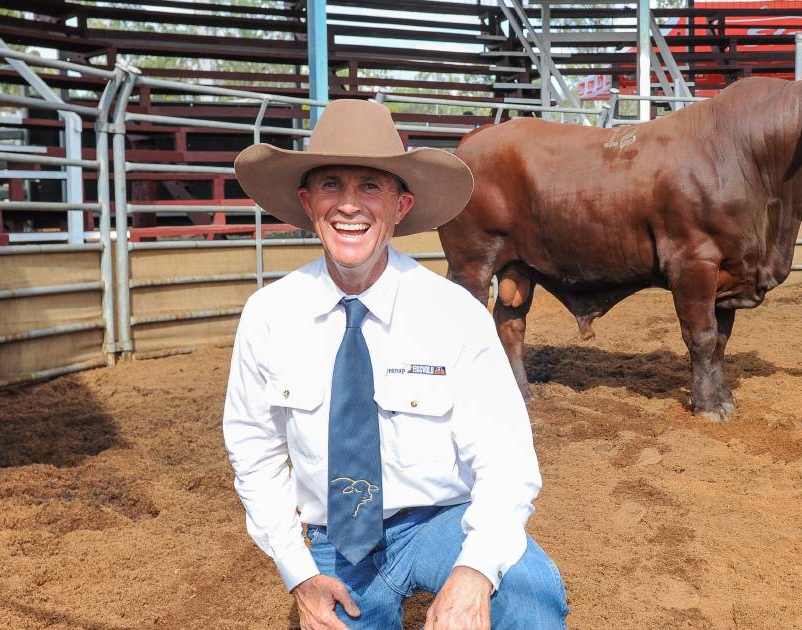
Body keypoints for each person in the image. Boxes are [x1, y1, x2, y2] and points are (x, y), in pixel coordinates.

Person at [224, 99, 568, 630]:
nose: (348, 206)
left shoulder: (454, 313)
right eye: (330, 185)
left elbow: (507, 460)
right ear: (306, 201)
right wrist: (297, 571)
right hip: (332, 540)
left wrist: (476, 570)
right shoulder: (269, 315)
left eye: (370, 187)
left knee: (529, 596)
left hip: (440, 524)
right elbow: (254, 449)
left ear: (401, 205)